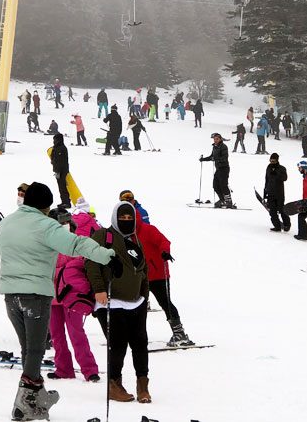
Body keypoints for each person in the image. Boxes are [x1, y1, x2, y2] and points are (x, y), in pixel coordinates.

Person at [0, 183, 114, 418]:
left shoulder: (8, 222)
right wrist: (108, 256)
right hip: (36, 294)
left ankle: (37, 394)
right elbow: (76, 244)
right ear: (45, 206)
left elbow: (1, 248)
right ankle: (24, 401)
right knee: (36, 349)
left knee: (29, 349)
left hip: (11, 295)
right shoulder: (46, 225)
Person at [85, 201, 152, 403]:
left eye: (129, 218)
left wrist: (145, 294)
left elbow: (142, 269)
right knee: (118, 345)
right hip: (111, 302)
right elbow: (91, 262)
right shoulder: (103, 236)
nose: (126, 221)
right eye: (122, 218)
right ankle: (114, 385)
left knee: (140, 344)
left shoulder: (135, 239)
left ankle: (143, 385)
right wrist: (98, 289)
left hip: (136, 302)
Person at [47, 207, 101, 382]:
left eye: (66, 222)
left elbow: (85, 264)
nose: (64, 226)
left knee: (76, 332)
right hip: (52, 295)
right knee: (56, 334)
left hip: (73, 295)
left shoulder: (78, 241)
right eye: (60, 223)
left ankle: (89, 369)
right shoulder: (46, 244)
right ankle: (63, 368)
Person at [135, 211, 193, 347]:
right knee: (135, 306)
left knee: (165, 302)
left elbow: (163, 241)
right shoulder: (124, 234)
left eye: (131, 216)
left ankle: (179, 333)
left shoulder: (148, 229)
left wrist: (164, 251)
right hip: (137, 275)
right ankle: (135, 336)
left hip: (157, 274)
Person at [200, 133, 233, 208]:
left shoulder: (223, 147)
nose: (215, 140)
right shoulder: (214, 147)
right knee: (215, 185)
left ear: (220, 139)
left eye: (217, 139)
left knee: (223, 185)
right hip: (218, 169)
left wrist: (215, 159)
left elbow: (224, 158)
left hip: (224, 168)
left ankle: (228, 201)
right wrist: (203, 159)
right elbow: (212, 157)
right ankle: (222, 200)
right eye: (214, 139)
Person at [263, 153, 291, 232]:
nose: (272, 162)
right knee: (272, 212)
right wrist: (265, 191)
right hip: (270, 193)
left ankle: (287, 224)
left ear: (277, 160)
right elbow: (266, 180)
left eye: (273, 160)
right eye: (271, 160)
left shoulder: (282, 168)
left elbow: (285, 178)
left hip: (279, 194)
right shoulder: (268, 168)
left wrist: (277, 174)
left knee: (282, 210)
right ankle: (277, 226)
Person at [50, 133, 71, 208]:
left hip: (62, 170)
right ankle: (64, 201)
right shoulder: (56, 147)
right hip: (59, 170)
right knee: (61, 187)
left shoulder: (61, 148)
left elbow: (60, 161)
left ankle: (66, 202)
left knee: (62, 187)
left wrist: (58, 170)